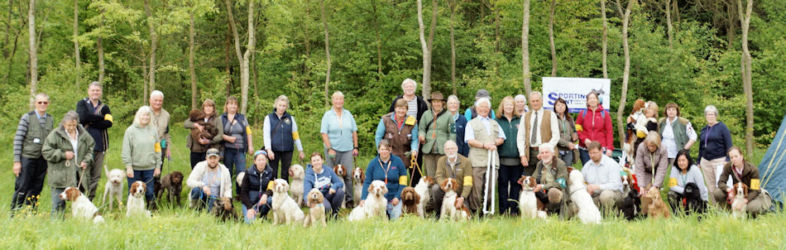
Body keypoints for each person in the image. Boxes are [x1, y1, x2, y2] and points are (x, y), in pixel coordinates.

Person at [42, 111, 95, 217]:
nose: (71, 128)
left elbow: (91, 148)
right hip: (60, 175)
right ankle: (56, 228)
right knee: (58, 205)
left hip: (78, 175)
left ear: (77, 123)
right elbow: (46, 151)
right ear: (63, 123)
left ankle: (78, 228)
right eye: (69, 125)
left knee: (80, 206)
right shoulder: (55, 134)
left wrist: (86, 160)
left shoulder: (83, 133)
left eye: (74, 125)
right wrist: (63, 154)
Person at [11, 93, 53, 213]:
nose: (42, 105)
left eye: (45, 102)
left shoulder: (50, 119)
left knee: (37, 187)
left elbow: (51, 142)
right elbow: (18, 139)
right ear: (35, 103)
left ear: (48, 104)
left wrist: (49, 162)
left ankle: (32, 212)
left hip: (43, 159)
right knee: (22, 186)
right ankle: (15, 212)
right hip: (27, 158)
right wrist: (17, 161)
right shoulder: (27, 117)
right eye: (40, 102)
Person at [465, 97, 505, 214]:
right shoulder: (471, 123)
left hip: (492, 160)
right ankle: (475, 211)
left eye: (486, 107)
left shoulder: (494, 123)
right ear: (477, 109)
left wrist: (495, 143)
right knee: (476, 188)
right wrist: (484, 145)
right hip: (477, 161)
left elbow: (502, 138)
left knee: (491, 188)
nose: (484, 109)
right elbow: (470, 140)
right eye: (481, 107)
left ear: (489, 109)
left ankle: (487, 210)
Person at [75, 82, 113, 200]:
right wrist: (100, 118)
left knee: (95, 176)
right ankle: (79, 198)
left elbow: (109, 123)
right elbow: (82, 118)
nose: (95, 92)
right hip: (84, 147)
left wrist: (90, 120)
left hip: (100, 146)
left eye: (97, 90)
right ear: (88, 91)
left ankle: (90, 199)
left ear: (101, 92)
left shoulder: (105, 107)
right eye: (93, 90)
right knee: (83, 173)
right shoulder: (81, 103)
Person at [320, 91, 358, 206]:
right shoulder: (327, 115)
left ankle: (349, 200)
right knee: (332, 174)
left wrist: (355, 146)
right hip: (333, 149)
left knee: (348, 175)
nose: (339, 101)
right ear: (332, 101)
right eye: (336, 99)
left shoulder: (348, 114)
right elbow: (323, 133)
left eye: (341, 99)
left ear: (343, 101)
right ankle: (333, 198)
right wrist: (329, 148)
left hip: (347, 148)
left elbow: (354, 131)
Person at [712, 147, 773, 216]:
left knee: (751, 208)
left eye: (736, 156)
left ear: (741, 156)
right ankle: (730, 211)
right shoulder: (728, 166)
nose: (734, 159)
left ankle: (756, 213)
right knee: (717, 192)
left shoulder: (753, 169)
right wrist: (729, 190)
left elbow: (756, 190)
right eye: (731, 157)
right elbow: (721, 182)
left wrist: (744, 201)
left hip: (752, 195)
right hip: (738, 194)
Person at [122, 106, 161, 207]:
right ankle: (131, 213)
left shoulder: (153, 130)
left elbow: (157, 148)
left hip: (150, 167)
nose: (145, 117)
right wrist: (128, 166)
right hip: (134, 168)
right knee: (133, 193)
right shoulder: (130, 131)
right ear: (138, 116)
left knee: (149, 192)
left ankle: (149, 211)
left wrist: (157, 166)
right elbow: (126, 150)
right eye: (143, 114)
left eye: (148, 115)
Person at [360, 140, 408, 220]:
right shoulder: (373, 163)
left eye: (386, 149)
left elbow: (403, 182)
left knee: (397, 219)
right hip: (377, 198)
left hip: (393, 199)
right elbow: (367, 182)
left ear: (390, 150)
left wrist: (397, 197)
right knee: (374, 219)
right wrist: (363, 198)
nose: (384, 152)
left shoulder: (398, 162)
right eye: (382, 149)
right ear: (378, 150)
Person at [263, 95, 305, 180]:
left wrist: (300, 150)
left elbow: (295, 135)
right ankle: (272, 192)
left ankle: (285, 192)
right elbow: (266, 135)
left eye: (284, 106)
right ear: (276, 105)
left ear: (286, 107)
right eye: (280, 105)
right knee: (273, 173)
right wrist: (268, 149)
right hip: (273, 150)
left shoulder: (291, 118)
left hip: (288, 150)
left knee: (285, 173)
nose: (282, 108)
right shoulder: (269, 118)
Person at [517, 91, 560, 175]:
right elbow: (520, 137)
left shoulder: (551, 114)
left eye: (537, 100)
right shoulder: (525, 116)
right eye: (533, 101)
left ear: (542, 101)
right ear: (530, 102)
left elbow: (556, 136)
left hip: (547, 154)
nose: (535, 103)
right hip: (530, 153)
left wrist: (545, 150)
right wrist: (522, 155)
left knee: (547, 180)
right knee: (529, 182)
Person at [697, 105, 732, 204]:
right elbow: (701, 146)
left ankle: (725, 206)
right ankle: (715, 207)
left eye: (712, 114)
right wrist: (699, 161)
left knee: (720, 185)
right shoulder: (704, 130)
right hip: (706, 161)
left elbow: (729, 143)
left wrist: (728, 159)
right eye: (708, 114)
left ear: (716, 115)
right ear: (705, 116)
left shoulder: (722, 127)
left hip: (719, 160)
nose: (710, 116)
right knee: (710, 186)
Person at [429, 140, 473, 217]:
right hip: (446, 192)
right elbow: (438, 176)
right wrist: (444, 186)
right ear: (444, 151)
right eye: (448, 149)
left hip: (460, 193)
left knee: (463, 214)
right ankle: (438, 214)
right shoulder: (441, 160)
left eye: (452, 148)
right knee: (435, 188)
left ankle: (474, 212)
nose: (450, 151)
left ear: (457, 149)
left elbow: (468, 183)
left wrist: (462, 197)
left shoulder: (466, 161)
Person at [495, 96, 523, 215]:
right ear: (502, 106)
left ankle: (514, 210)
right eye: (506, 104)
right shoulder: (497, 120)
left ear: (514, 106)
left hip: (517, 159)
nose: (509, 107)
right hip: (502, 158)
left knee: (516, 185)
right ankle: (503, 210)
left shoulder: (520, 120)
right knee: (503, 185)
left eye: (511, 105)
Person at [418, 92, 455, 179]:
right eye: (434, 102)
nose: (437, 104)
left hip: (443, 150)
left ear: (442, 103)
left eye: (439, 102)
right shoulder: (426, 114)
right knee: (430, 176)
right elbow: (421, 128)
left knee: (442, 175)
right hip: (428, 149)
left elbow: (453, 132)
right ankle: (430, 192)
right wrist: (422, 135)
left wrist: (450, 146)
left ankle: (441, 192)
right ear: (431, 103)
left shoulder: (449, 115)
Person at [375, 99, 419, 171]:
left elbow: (414, 139)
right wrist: (380, 151)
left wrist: (414, 150)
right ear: (395, 108)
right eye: (399, 108)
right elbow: (378, 137)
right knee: (390, 177)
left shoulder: (412, 121)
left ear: (406, 110)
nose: (401, 111)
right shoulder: (385, 119)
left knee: (402, 179)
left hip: (404, 156)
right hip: (388, 154)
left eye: (403, 108)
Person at [581, 141, 623, 212]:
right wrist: (587, 188)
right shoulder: (587, 166)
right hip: (596, 194)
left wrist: (598, 187)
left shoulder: (611, 164)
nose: (592, 156)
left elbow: (615, 185)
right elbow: (583, 182)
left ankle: (613, 214)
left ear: (601, 151)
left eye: (594, 153)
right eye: (590, 153)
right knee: (582, 197)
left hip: (615, 193)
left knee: (605, 195)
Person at [575, 91, 614, 165]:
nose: (592, 100)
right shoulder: (582, 113)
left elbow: (609, 132)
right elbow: (577, 129)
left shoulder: (604, 114)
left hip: (601, 149)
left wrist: (609, 148)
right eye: (590, 98)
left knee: (601, 172)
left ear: (598, 100)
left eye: (594, 98)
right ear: (587, 101)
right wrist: (584, 139)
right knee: (588, 172)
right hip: (585, 150)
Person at [303, 152, 346, 218]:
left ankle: (334, 215)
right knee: (327, 207)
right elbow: (306, 192)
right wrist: (307, 201)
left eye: (318, 160)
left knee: (340, 192)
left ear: (322, 160)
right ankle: (326, 216)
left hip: (328, 193)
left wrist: (334, 187)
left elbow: (339, 183)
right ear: (311, 163)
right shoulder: (309, 175)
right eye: (314, 161)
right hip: (317, 197)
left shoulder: (328, 170)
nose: (316, 162)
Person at [184, 99, 223, 169]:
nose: (208, 108)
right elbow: (186, 124)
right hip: (195, 149)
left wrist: (209, 141)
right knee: (195, 171)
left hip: (209, 150)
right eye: (206, 106)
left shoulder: (217, 120)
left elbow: (220, 135)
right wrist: (196, 125)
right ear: (203, 108)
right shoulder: (197, 116)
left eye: (210, 106)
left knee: (207, 171)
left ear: (213, 108)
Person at [531, 144, 568, 215]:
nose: (544, 155)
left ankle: (553, 212)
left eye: (546, 152)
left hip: (556, 191)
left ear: (552, 153)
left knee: (553, 192)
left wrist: (543, 186)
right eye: (542, 153)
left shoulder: (560, 164)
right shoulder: (540, 164)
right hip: (541, 192)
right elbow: (534, 178)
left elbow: (561, 184)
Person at [221, 96, 254, 176]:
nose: (233, 106)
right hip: (227, 150)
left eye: (235, 104)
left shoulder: (242, 118)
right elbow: (217, 133)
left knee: (241, 173)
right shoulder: (222, 118)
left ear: (237, 106)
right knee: (227, 173)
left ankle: (240, 188)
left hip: (240, 150)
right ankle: (228, 188)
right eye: (231, 104)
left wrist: (250, 146)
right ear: (227, 105)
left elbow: (248, 132)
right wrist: (227, 138)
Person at [239, 150, 274, 223]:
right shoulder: (248, 173)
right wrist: (249, 208)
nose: (261, 162)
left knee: (271, 200)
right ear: (255, 161)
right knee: (250, 223)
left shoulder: (271, 172)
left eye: (263, 160)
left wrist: (266, 195)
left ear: (266, 160)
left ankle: (263, 216)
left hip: (263, 201)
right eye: (259, 160)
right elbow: (243, 193)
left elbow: (271, 188)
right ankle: (250, 213)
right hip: (250, 202)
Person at [149, 91, 171, 176]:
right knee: (147, 170)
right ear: (150, 100)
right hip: (146, 146)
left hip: (160, 146)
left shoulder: (166, 115)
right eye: (155, 100)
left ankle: (156, 188)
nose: (158, 102)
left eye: (160, 100)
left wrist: (168, 148)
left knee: (158, 170)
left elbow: (167, 133)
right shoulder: (144, 112)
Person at [553, 98, 578, 166]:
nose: (560, 107)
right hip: (557, 150)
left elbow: (574, 131)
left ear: (565, 107)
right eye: (558, 105)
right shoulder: (552, 118)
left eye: (562, 105)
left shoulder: (570, 119)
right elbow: (555, 136)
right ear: (555, 107)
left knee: (568, 171)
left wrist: (575, 136)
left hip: (568, 151)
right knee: (558, 171)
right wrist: (567, 144)